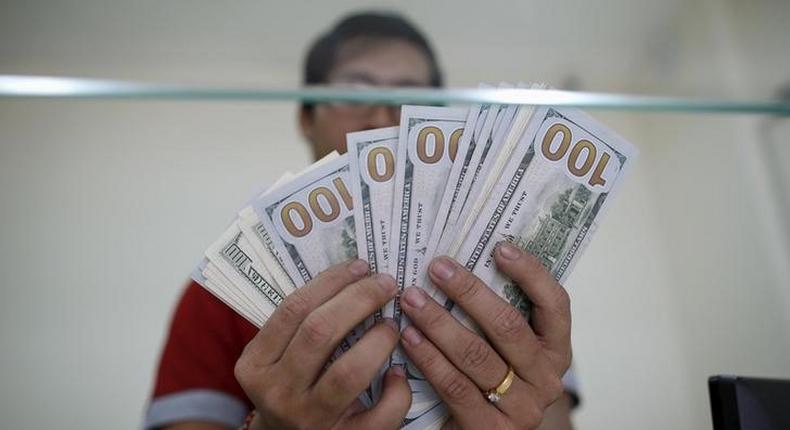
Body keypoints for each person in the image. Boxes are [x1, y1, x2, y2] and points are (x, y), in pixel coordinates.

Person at [145, 12, 577, 430]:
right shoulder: (222, 292)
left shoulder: (501, 282)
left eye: (412, 100)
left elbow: (550, 417)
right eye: (353, 93)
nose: (382, 118)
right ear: (305, 117)